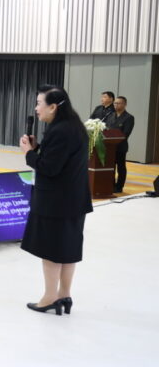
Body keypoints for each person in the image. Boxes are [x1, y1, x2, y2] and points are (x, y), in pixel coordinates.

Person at [19, 85, 92, 315]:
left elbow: (49, 168)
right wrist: (38, 148)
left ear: (52, 107)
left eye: (39, 103)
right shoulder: (74, 126)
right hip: (74, 200)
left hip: (55, 203)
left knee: (51, 251)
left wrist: (28, 153)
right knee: (67, 249)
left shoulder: (59, 131)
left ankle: (50, 297)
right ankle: (64, 295)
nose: (36, 108)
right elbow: (61, 159)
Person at [106, 96, 134, 194]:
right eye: (115, 103)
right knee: (111, 167)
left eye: (119, 103)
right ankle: (111, 185)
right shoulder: (110, 115)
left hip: (120, 147)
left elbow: (125, 133)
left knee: (121, 167)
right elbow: (106, 130)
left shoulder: (129, 117)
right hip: (110, 147)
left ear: (125, 105)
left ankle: (119, 187)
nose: (116, 105)